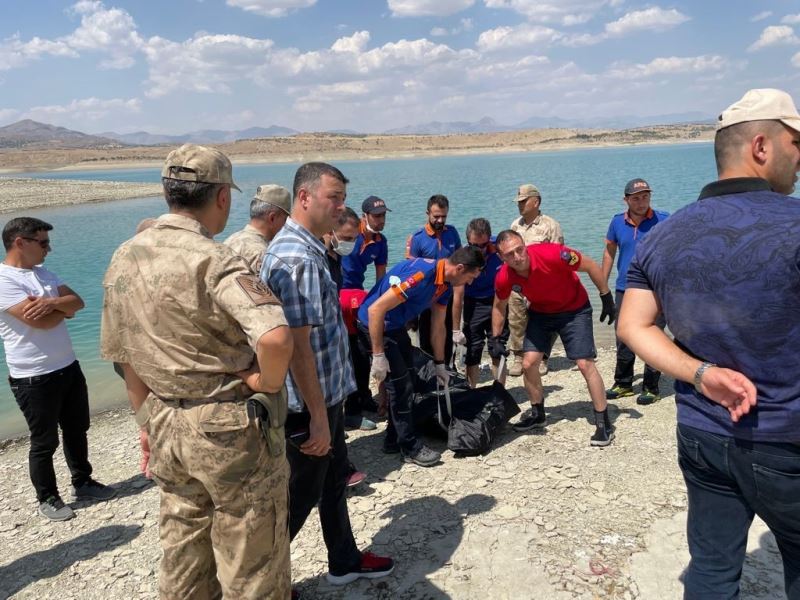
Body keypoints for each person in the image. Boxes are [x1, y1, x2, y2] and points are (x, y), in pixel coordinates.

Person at [618, 88, 800, 599]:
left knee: (712, 570)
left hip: (702, 433)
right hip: (786, 439)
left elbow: (633, 327)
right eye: (796, 143)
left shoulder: (661, 235)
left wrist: (699, 374)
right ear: (761, 146)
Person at [101, 143, 294, 598]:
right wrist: (264, 383)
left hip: (165, 420)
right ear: (222, 197)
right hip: (228, 428)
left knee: (183, 557)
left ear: (169, 192)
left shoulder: (124, 257)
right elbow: (275, 338)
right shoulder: (215, 258)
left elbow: (124, 355)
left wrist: (145, 422)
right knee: (252, 564)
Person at [261, 162, 394, 586]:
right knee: (300, 495)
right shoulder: (297, 258)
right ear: (304, 198)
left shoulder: (310, 248)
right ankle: (260, 582)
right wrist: (318, 416)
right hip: (307, 404)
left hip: (325, 396)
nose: (341, 206)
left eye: (342, 198)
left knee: (334, 481)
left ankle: (344, 560)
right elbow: (297, 349)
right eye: (333, 197)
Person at [0, 217, 116, 522]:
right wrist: (59, 309)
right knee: (44, 441)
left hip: (67, 367)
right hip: (33, 376)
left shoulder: (43, 273)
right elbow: (40, 321)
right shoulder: (4, 279)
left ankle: (83, 481)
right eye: (43, 243)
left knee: (78, 429)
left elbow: (77, 302)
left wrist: (54, 304)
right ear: (20, 243)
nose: (49, 249)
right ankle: (47, 496)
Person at [357, 246, 485, 466]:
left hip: (394, 326)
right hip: (374, 325)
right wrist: (378, 355)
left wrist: (439, 363)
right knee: (400, 387)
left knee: (411, 380)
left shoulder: (445, 283)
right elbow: (375, 310)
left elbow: (438, 327)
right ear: (460, 268)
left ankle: (393, 438)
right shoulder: (421, 276)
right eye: (470, 277)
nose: (470, 282)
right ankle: (409, 447)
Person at [488, 230, 617, 446]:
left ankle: (604, 423)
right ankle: (537, 413)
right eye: (510, 254)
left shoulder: (554, 254)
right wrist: (495, 338)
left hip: (574, 310)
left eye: (520, 249)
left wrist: (605, 295)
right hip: (541, 313)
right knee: (528, 363)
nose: (517, 257)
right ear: (501, 257)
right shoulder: (504, 276)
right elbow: (499, 306)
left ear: (525, 246)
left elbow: (591, 265)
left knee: (585, 363)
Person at [601, 178, 669, 405]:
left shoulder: (664, 219)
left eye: (645, 197)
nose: (642, 202)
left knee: (654, 335)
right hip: (625, 287)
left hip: (655, 288)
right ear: (626, 199)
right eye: (636, 198)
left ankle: (651, 386)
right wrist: (603, 286)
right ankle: (623, 383)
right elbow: (610, 252)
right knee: (623, 335)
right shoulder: (617, 222)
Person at [508, 184, 564, 377]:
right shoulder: (515, 226)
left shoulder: (551, 225)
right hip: (518, 283)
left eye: (523, 202)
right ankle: (518, 356)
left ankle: (542, 357)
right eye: (519, 202)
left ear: (536, 201)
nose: (520, 205)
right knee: (516, 319)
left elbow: (558, 258)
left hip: (542, 285)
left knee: (544, 320)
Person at [406, 194, 463, 367]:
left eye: (443, 216)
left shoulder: (452, 233)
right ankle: (428, 373)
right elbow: (411, 271)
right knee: (426, 338)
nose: (440, 220)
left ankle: (447, 370)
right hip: (426, 298)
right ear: (427, 213)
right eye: (436, 216)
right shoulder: (418, 238)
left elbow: (460, 261)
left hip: (447, 294)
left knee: (446, 337)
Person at [460, 218, 508, 388]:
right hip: (473, 304)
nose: (479, 249)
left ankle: (500, 390)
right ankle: (471, 390)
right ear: (468, 241)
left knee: (497, 347)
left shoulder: (499, 247)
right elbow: (456, 291)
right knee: (473, 349)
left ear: (489, 239)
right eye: (475, 245)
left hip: (498, 301)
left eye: (483, 245)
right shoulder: (463, 256)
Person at [224, 183, 291, 273]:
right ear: (272, 218)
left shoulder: (230, 240)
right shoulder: (261, 254)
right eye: (285, 219)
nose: (286, 225)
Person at [341, 195, 390, 290]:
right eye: (377, 216)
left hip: (356, 290)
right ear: (364, 216)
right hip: (335, 288)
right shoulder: (349, 232)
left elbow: (381, 276)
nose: (382, 220)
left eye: (383, 215)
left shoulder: (381, 242)